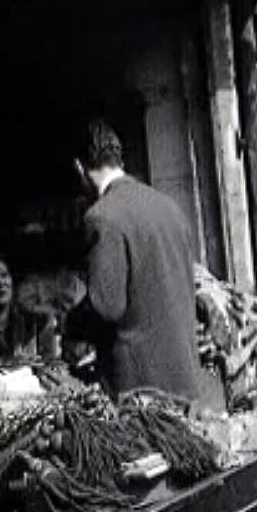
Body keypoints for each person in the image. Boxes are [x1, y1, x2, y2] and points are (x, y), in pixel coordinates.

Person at [67, 118, 200, 399]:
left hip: (139, 388)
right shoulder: (168, 207)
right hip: (185, 379)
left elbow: (107, 306)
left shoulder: (102, 217)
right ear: (119, 160)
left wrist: (71, 324)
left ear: (79, 168)